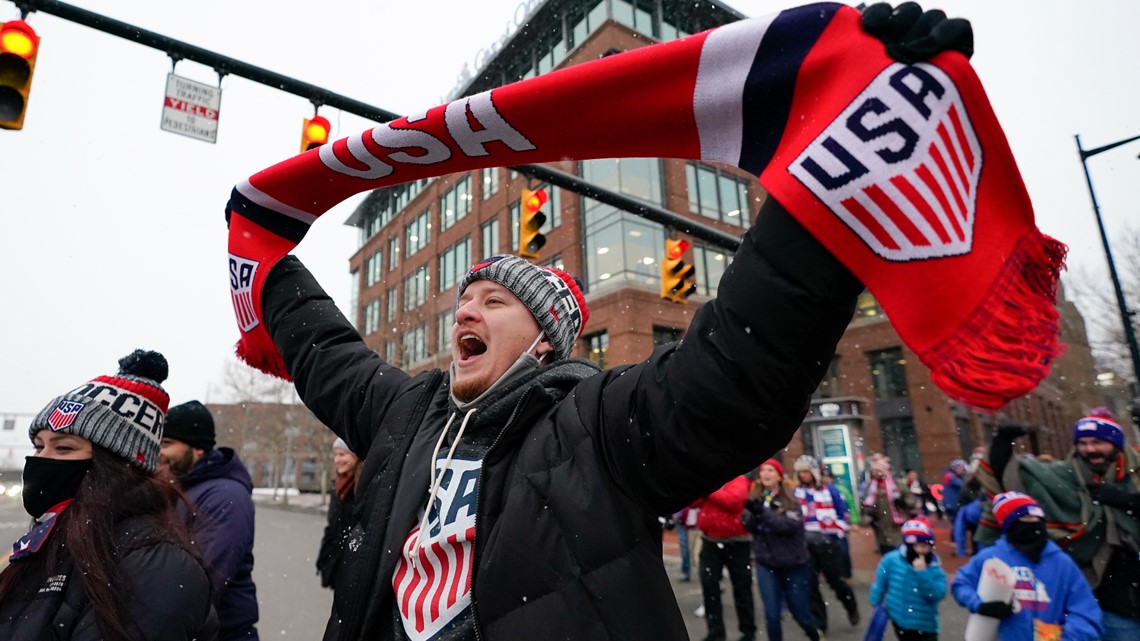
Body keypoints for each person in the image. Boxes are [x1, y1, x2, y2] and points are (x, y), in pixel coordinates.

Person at [225, 6, 983, 639]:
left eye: (494, 301)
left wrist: (839, 161)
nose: (466, 308)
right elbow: (324, 349)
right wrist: (264, 247)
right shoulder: (405, 413)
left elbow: (731, 374)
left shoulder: (596, 422)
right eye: (465, 299)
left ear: (547, 337)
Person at [0, 350, 218, 641]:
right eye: (39, 446)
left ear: (115, 465)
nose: (42, 459)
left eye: (64, 448)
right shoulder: (57, 535)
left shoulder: (157, 566)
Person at [976, 411, 1140, 640]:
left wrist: (1126, 500)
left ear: (1116, 445)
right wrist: (1003, 439)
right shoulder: (1063, 477)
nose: (1090, 449)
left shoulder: (1135, 478)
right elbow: (1011, 478)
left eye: (1098, 442)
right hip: (1080, 596)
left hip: (1128, 599)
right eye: (1082, 443)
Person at [160, 400, 260, 641]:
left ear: (198, 449)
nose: (159, 452)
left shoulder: (225, 496)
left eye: (166, 443)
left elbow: (203, 580)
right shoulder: (182, 488)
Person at [951, 492, 1102, 641]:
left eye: (1038, 518)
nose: (1033, 523)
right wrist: (980, 605)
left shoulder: (1061, 562)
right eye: (1026, 518)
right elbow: (960, 584)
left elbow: (1085, 613)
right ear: (1011, 525)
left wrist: (1069, 637)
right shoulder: (990, 557)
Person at [742, 459, 819, 641]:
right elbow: (747, 525)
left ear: (779, 476)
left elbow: (788, 526)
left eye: (770, 470)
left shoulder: (790, 499)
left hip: (794, 564)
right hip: (766, 564)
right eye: (763, 470)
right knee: (772, 615)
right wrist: (752, 515)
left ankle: (815, 635)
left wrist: (763, 513)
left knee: (801, 614)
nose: (766, 474)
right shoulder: (757, 497)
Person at [793, 455, 859, 633]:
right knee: (811, 585)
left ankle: (850, 605)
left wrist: (835, 533)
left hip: (827, 544)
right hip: (806, 545)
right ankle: (820, 623)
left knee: (837, 582)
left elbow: (842, 513)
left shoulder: (830, 491)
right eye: (801, 473)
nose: (804, 476)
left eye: (806, 472)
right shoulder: (796, 493)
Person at [694, 474, 756, 641]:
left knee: (742, 588)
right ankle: (715, 632)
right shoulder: (712, 480)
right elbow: (693, 502)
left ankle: (748, 632)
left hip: (737, 544)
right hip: (710, 541)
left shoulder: (737, 478)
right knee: (709, 586)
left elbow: (733, 502)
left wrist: (708, 490)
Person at [870, 519, 947, 641]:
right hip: (898, 618)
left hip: (925, 625)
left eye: (927, 546)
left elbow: (937, 595)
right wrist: (876, 601)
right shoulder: (891, 560)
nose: (922, 550)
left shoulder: (934, 568)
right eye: (919, 546)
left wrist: (922, 573)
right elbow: (880, 582)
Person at [317, 438, 363, 589]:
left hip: (355, 565)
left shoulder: (364, 487)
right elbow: (333, 526)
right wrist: (325, 557)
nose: (337, 460)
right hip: (337, 563)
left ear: (355, 456)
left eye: (342, 454)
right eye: (335, 455)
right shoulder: (338, 486)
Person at [861, 454, 917, 554]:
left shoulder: (897, 484)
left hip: (897, 526)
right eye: (874, 470)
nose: (875, 473)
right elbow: (864, 503)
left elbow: (911, 499)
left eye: (878, 470)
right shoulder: (871, 487)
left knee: (900, 553)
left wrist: (903, 503)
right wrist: (868, 513)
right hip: (880, 527)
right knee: (886, 554)